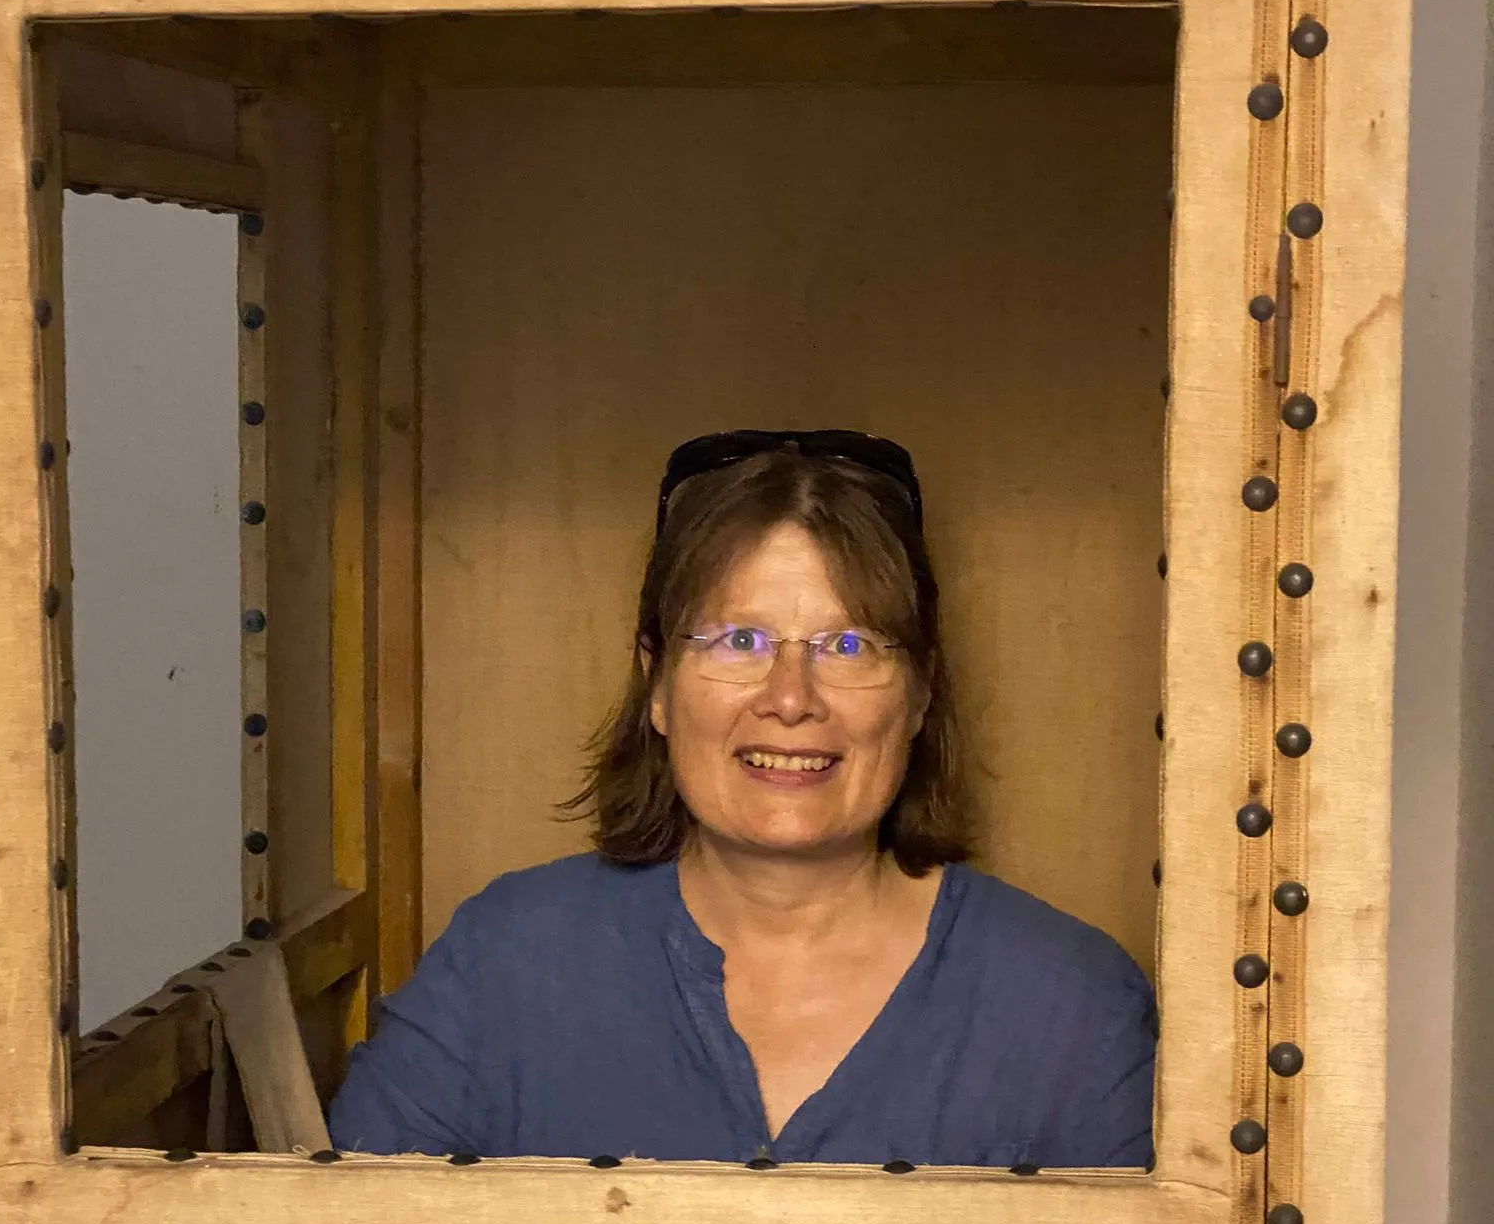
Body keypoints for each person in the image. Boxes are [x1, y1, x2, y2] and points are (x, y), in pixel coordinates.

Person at [327, 430, 1156, 1168]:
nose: (790, 698)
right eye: (739, 640)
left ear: (919, 694)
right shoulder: (504, 964)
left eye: (848, 644)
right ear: (657, 683)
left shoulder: (1070, 1004)